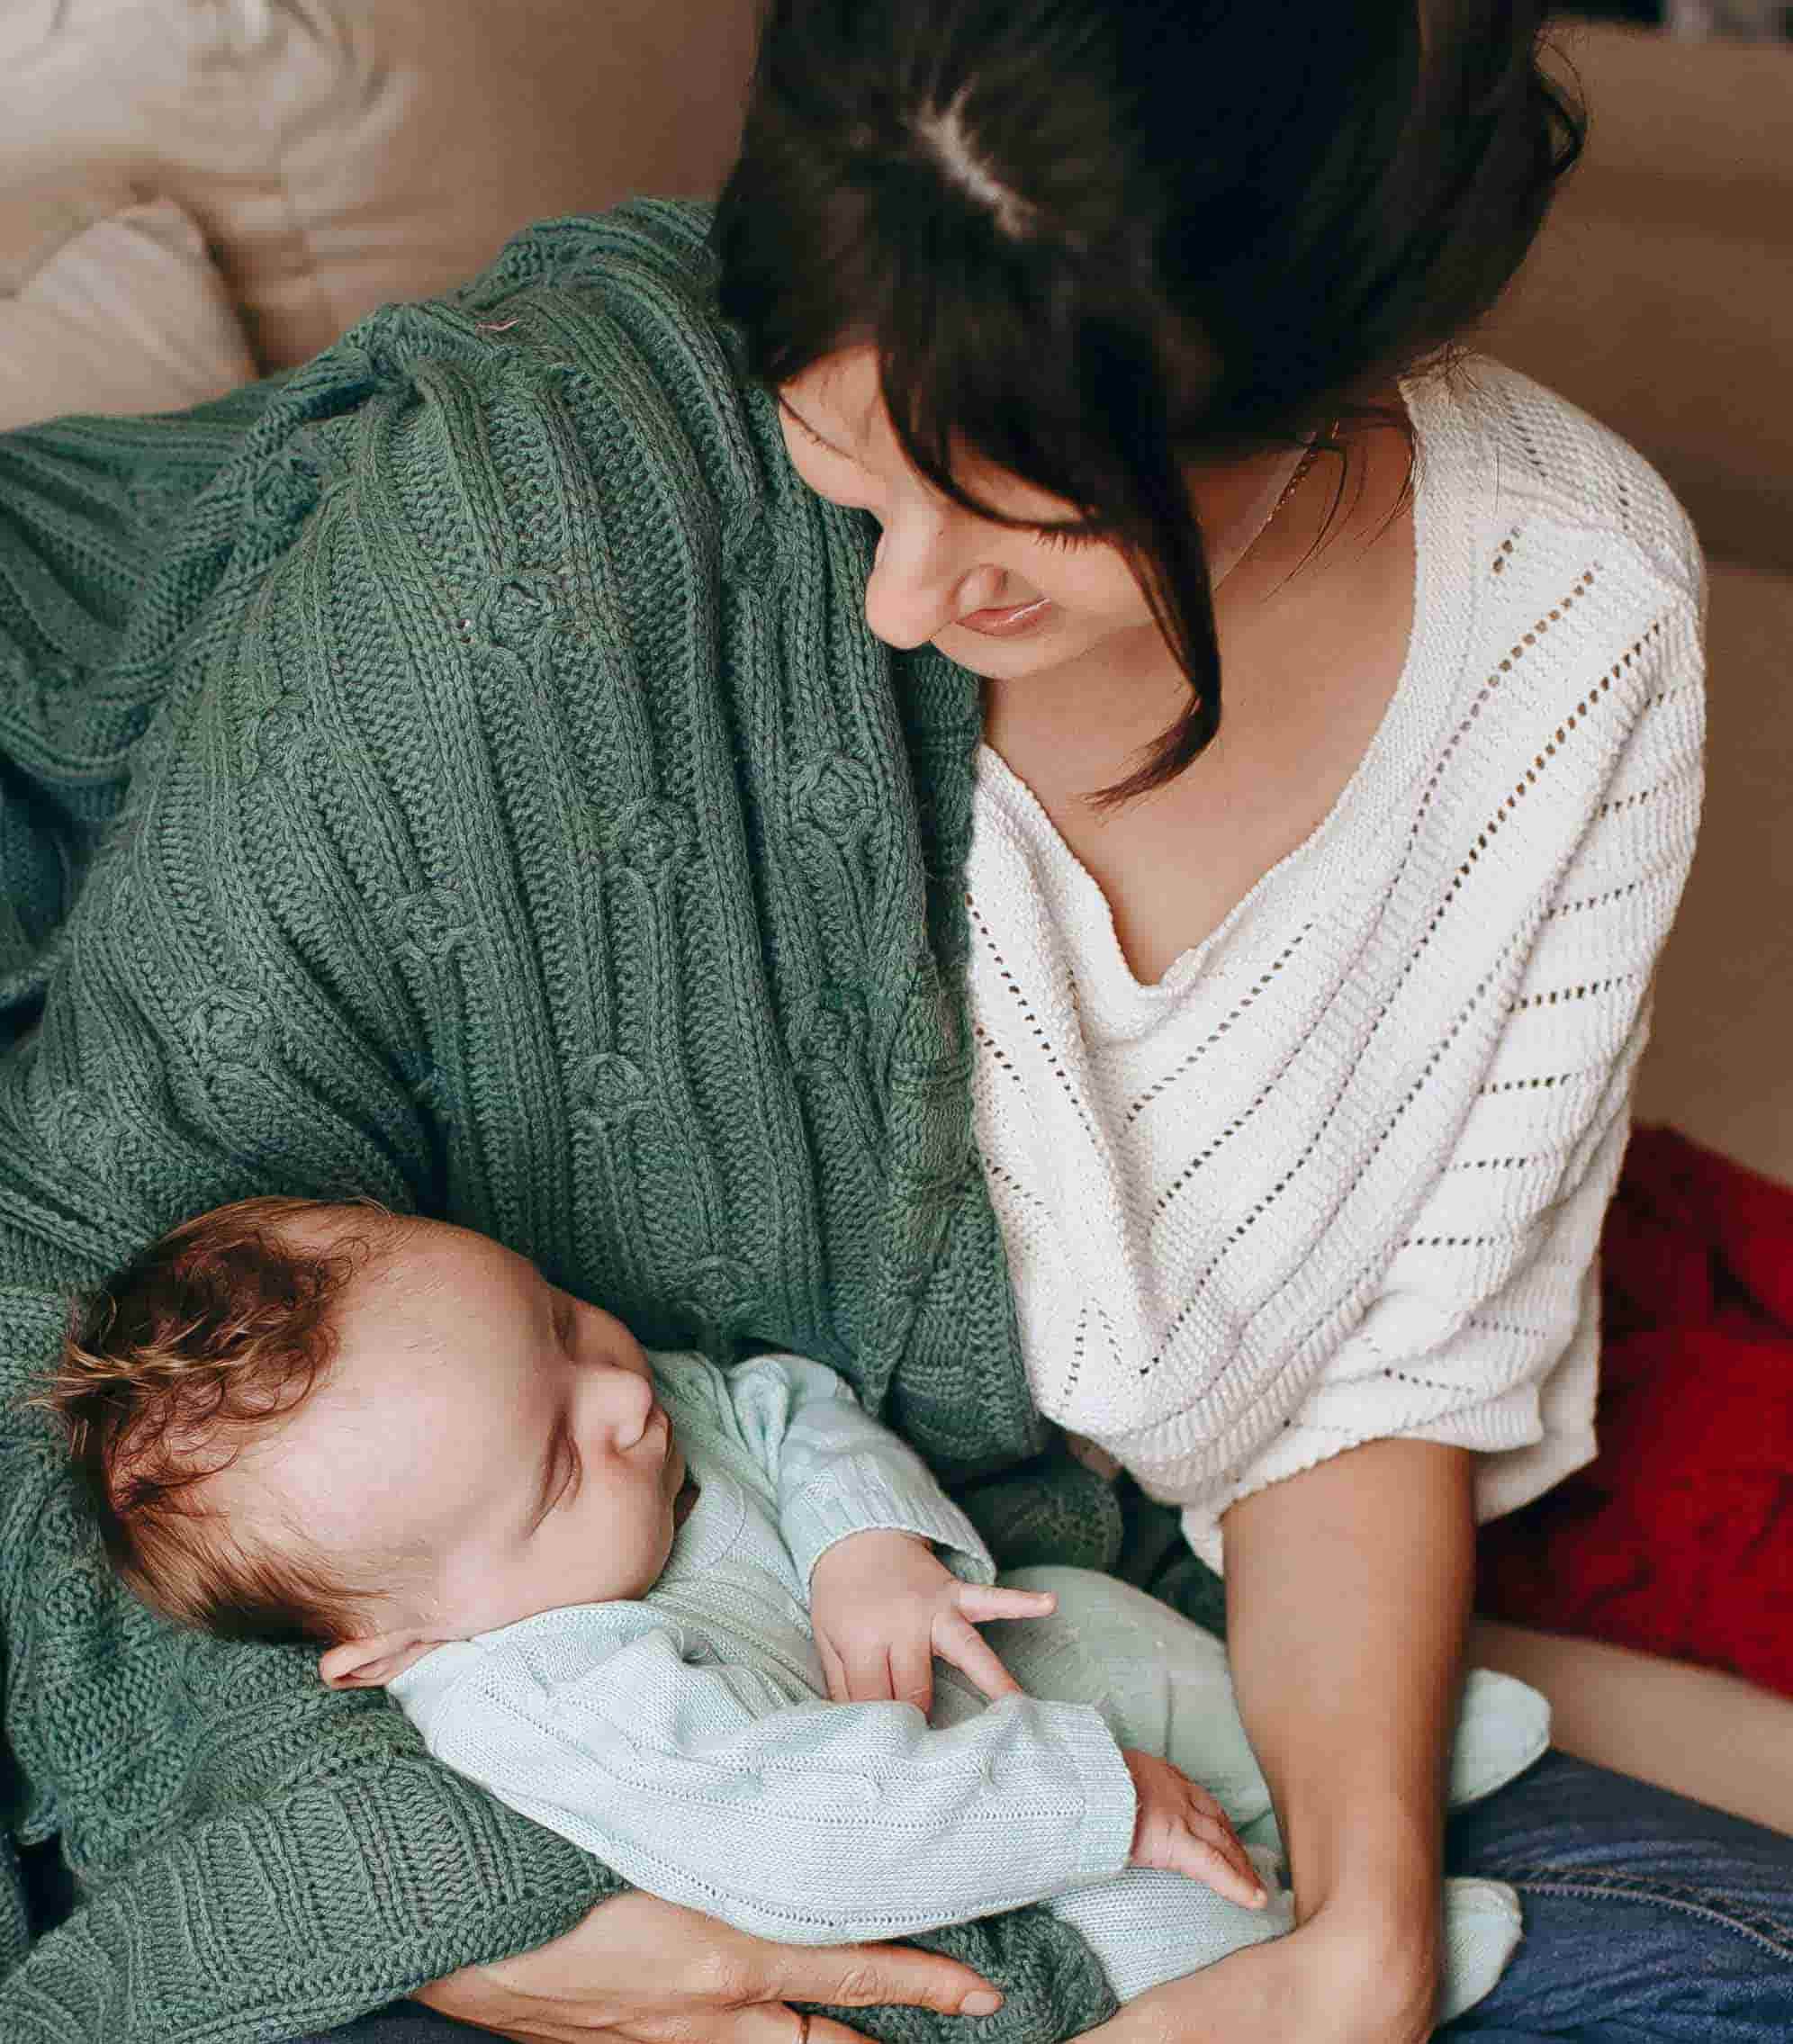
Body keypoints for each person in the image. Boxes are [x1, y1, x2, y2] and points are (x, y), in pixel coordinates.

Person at [0, 3, 1789, 2043]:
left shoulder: (1568, 622)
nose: (897, 607)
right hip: (437, 1738)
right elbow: (71, 1281)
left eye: (1016, 534)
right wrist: (484, 1922)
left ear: (1325, 382)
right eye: (842, 462)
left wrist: (1360, 1940)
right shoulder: (552, 519)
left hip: (1077, 1653)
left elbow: (1375, 1374)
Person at [35, 1193, 1545, 2021]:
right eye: (559, 1458)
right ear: (395, 1642)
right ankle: (1291, 1956)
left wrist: (865, 1542)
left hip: (1007, 1673)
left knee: (1091, 1623)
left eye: (562, 1324)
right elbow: (808, 1832)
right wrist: (1100, 1805)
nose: (627, 1399)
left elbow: (771, 1402)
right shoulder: (548, 1694)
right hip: (983, 1850)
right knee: (1135, 1922)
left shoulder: (623, 1431)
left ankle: (1341, 1761)